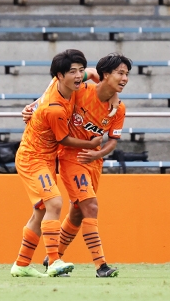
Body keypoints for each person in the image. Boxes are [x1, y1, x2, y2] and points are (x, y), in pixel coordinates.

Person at [26, 54, 130, 278]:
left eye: (126, 74)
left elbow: (113, 139)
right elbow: (58, 81)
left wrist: (98, 153)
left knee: (77, 213)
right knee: (90, 206)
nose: (124, 78)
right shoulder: (80, 90)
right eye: (120, 73)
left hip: (92, 160)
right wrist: (35, 105)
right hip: (71, 157)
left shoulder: (119, 109)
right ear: (105, 75)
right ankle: (101, 265)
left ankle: (53, 258)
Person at [11, 49, 102, 278]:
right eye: (73, 71)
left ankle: (21, 265)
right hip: (33, 158)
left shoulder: (66, 82)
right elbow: (63, 139)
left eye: (80, 70)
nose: (79, 75)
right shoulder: (55, 109)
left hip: (47, 157)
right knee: (54, 203)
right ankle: (53, 262)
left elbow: (94, 74)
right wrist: (91, 145)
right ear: (59, 76)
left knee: (40, 211)